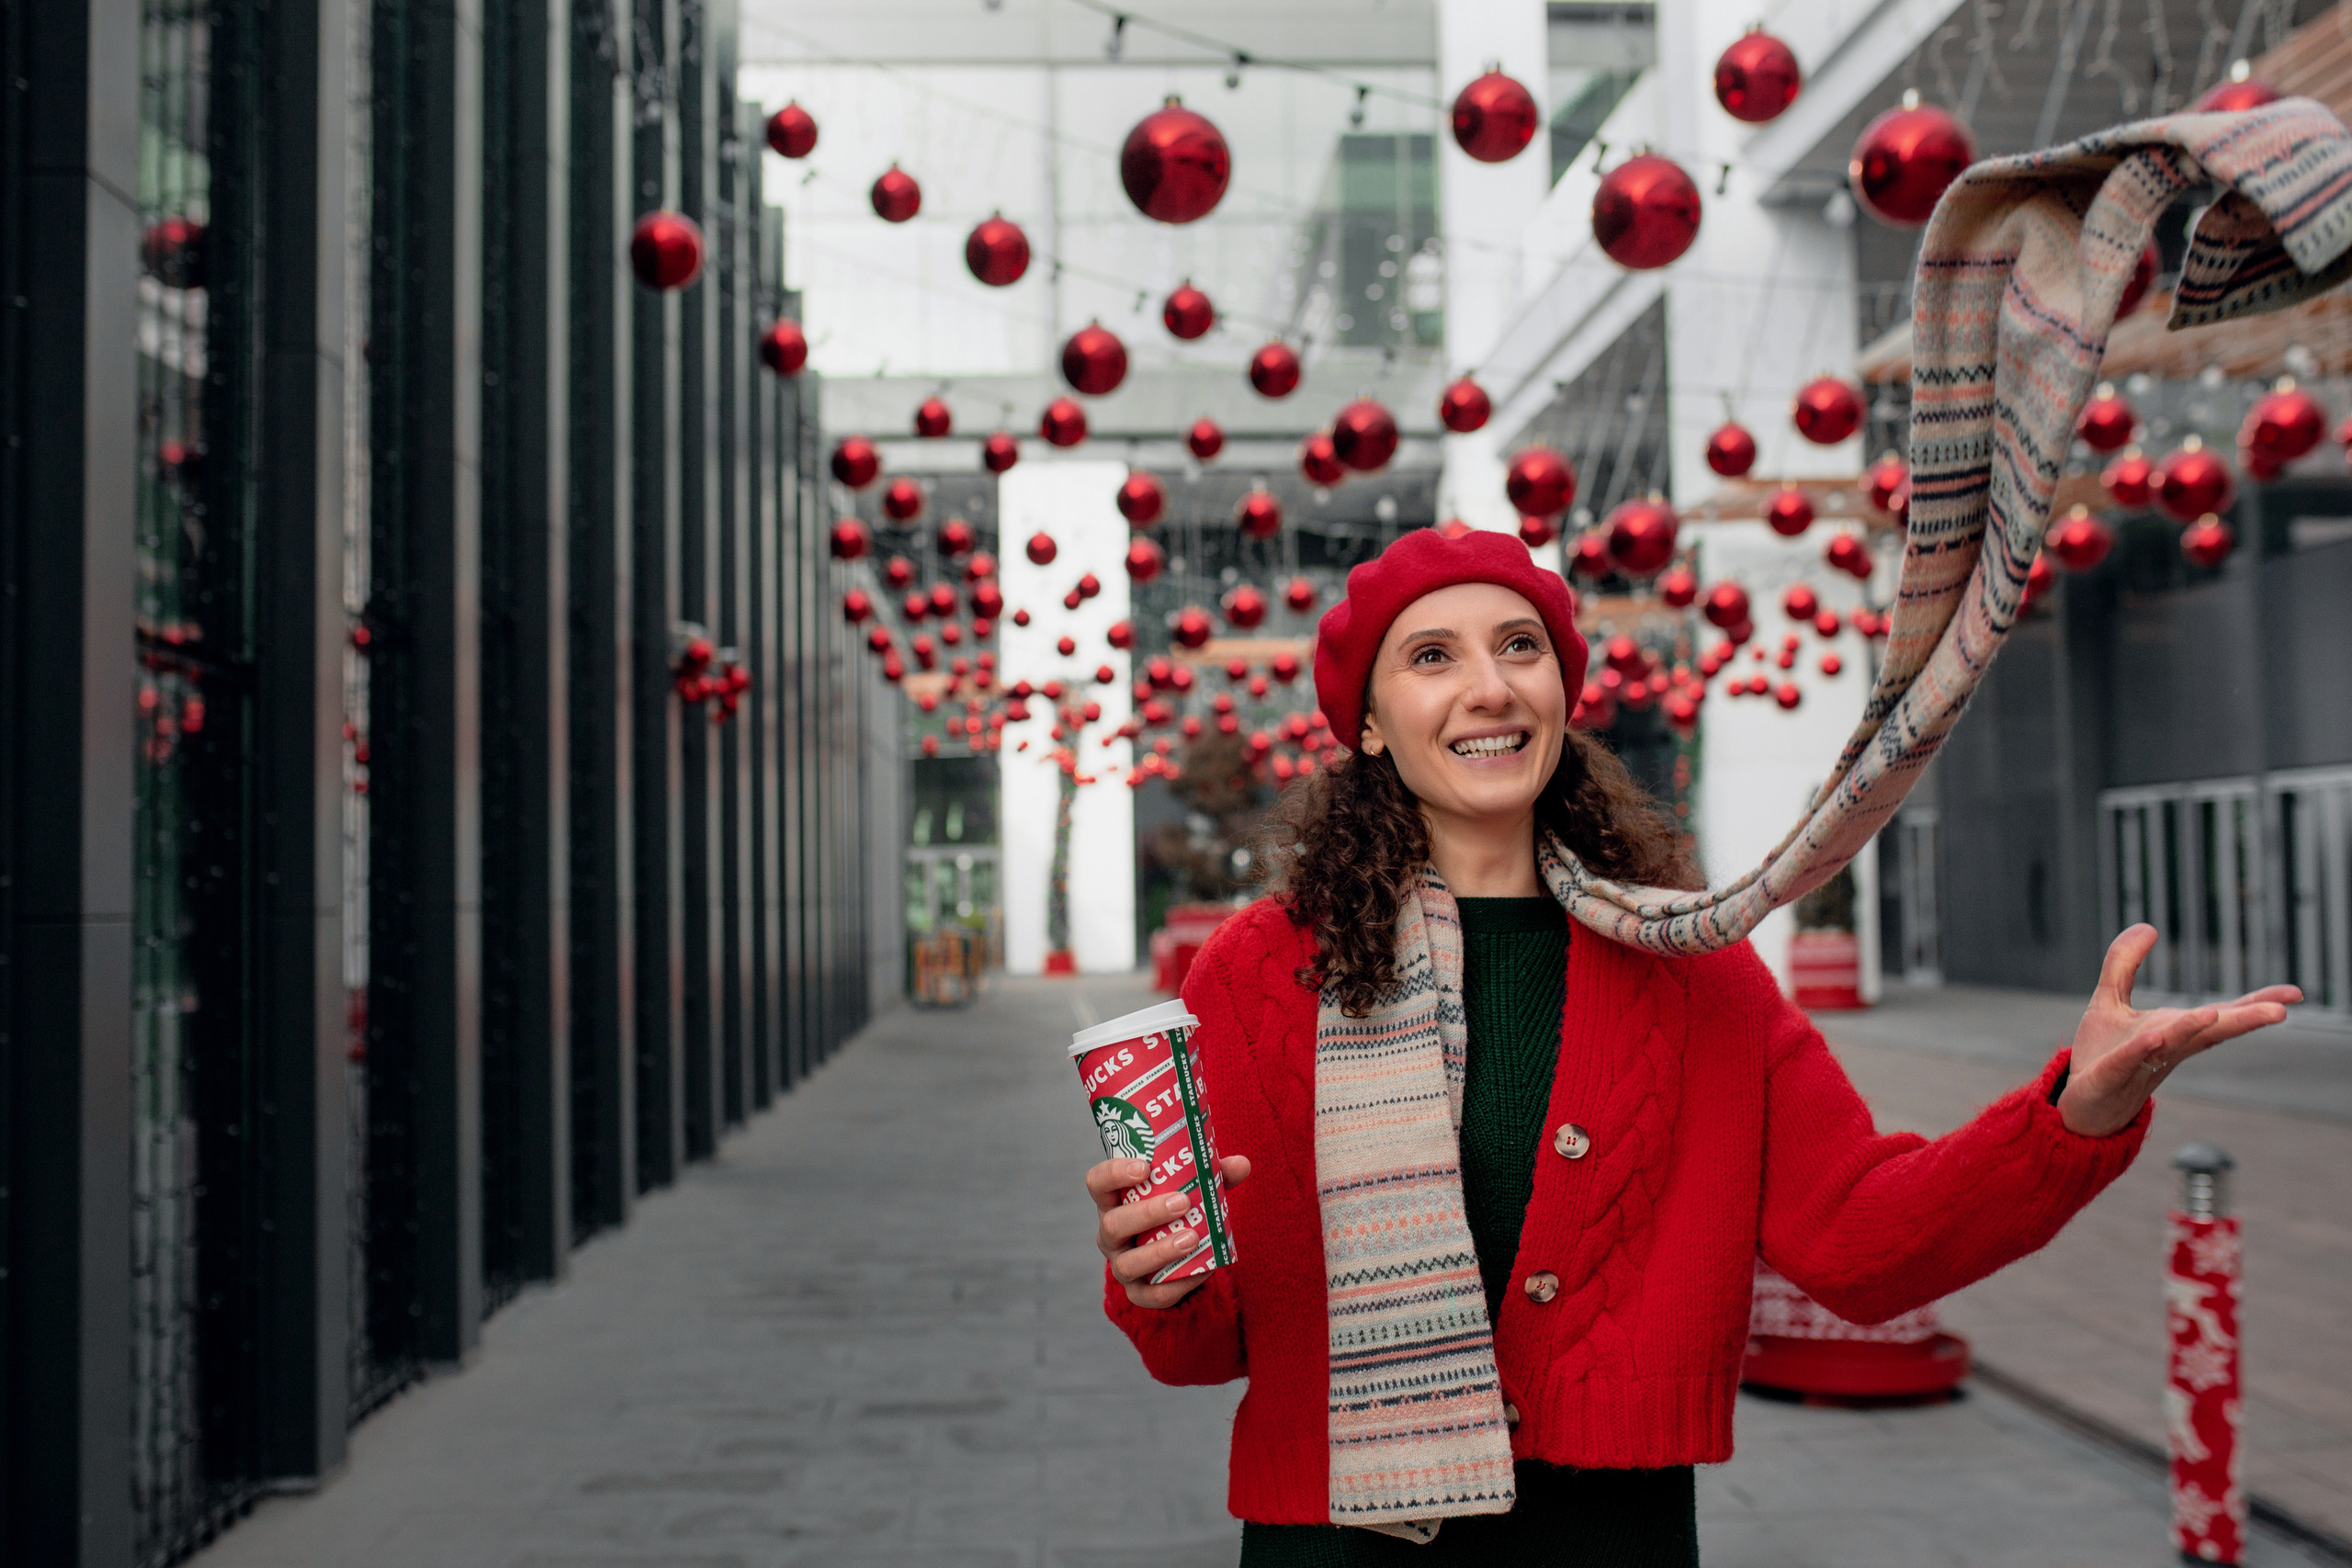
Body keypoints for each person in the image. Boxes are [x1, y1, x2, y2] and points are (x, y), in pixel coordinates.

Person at [1082, 528, 2298, 1566]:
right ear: (1365, 723)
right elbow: (1205, 1343)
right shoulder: (1263, 970)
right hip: (1330, 1538)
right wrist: (1152, 1277)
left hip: (1609, 1530)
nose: (1491, 688)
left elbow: (1861, 1242)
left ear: (1563, 694)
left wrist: (2073, 1114)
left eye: (1522, 649)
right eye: (1432, 657)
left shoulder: (1692, 966)